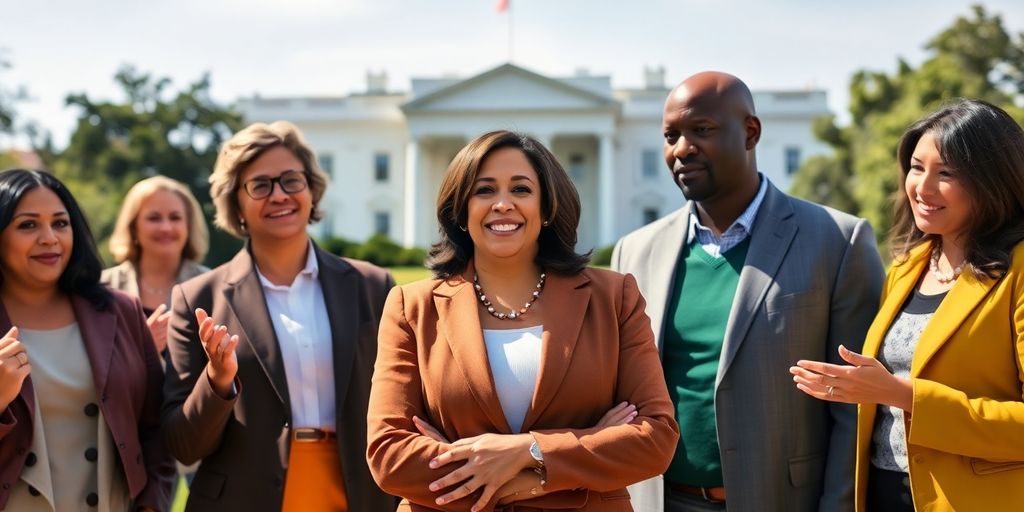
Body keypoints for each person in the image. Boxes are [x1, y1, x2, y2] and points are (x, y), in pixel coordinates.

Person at [612, 72, 885, 512]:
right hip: (659, 499)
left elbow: (856, 409)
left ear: (750, 133)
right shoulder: (634, 252)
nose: (681, 149)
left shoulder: (837, 241)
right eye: (670, 135)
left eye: (701, 130)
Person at [366, 130, 679, 511]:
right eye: (484, 190)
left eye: (521, 189)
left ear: (546, 208)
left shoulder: (613, 298)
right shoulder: (410, 306)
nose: (502, 204)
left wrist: (527, 451)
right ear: (461, 209)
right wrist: (582, 448)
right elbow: (389, 455)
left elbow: (655, 440)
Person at [791, 99, 1024, 511]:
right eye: (917, 167)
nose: (922, 187)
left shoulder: (1018, 269)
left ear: (993, 180)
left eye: (946, 173)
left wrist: (904, 394)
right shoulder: (906, 266)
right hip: (885, 494)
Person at [160, 121, 397, 511]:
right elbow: (184, 445)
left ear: (311, 188)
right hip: (244, 498)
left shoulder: (373, 286)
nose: (279, 195)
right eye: (260, 185)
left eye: (291, 180)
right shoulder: (197, 299)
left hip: (360, 493)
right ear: (235, 202)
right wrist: (218, 381)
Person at [0, 168, 174, 511]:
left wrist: (153, 504)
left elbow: (155, 428)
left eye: (60, 223)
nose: (49, 237)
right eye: (28, 225)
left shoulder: (122, 312)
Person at [102, 175, 210, 355]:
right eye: (154, 218)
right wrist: (140, 349)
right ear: (133, 226)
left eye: (175, 218)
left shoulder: (212, 287)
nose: (166, 228)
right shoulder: (102, 288)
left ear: (189, 226)